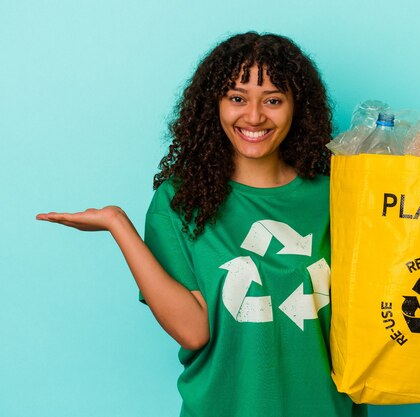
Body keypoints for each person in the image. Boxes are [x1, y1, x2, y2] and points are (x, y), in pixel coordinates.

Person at [36, 32, 367, 417]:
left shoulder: (337, 195)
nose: (255, 116)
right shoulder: (180, 202)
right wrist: (118, 224)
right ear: (215, 105)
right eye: (237, 98)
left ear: (298, 107)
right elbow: (194, 332)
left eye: (273, 100)